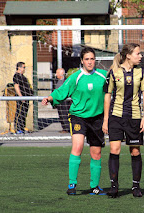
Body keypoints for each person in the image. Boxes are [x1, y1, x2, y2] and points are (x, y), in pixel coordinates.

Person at [42, 47, 107, 195]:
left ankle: (94, 187)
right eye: (87, 59)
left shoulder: (103, 76)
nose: (90, 62)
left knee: (96, 153)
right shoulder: (75, 77)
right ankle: (72, 184)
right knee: (77, 147)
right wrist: (50, 98)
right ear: (82, 61)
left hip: (97, 118)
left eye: (92, 59)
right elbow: (61, 92)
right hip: (78, 117)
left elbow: (120, 83)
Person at [102, 43, 144, 198]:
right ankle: (114, 187)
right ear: (128, 55)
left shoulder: (141, 72)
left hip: (134, 117)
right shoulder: (113, 72)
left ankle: (136, 187)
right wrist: (105, 119)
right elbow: (107, 95)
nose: (140, 56)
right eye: (138, 53)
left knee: (135, 150)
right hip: (116, 117)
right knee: (114, 149)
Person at [13, 62, 33, 134]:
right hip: (21, 98)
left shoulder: (23, 76)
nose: (24, 69)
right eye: (23, 67)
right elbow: (16, 86)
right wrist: (21, 96)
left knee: (24, 113)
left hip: (26, 97)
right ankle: (18, 128)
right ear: (19, 67)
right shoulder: (16, 76)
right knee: (20, 112)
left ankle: (22, 127)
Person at [54, 68, 71, 133]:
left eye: (57, 73)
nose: (56, 74)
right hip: (58, 101)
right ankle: (64, 127)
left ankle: (67, 128)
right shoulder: (56, 81)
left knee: (65, 115)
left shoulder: (66, 81)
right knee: (60, 115)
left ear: (61, 74)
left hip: (65, 102)